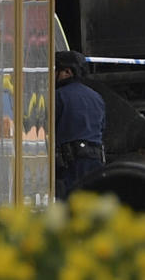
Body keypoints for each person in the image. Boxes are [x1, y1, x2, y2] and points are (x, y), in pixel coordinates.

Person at [55, 50, 105, 199]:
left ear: (67, 72)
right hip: (95, 162)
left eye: (55, 70)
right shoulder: (97, 97)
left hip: (70, 166)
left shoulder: (58, 96)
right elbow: (102, 128)